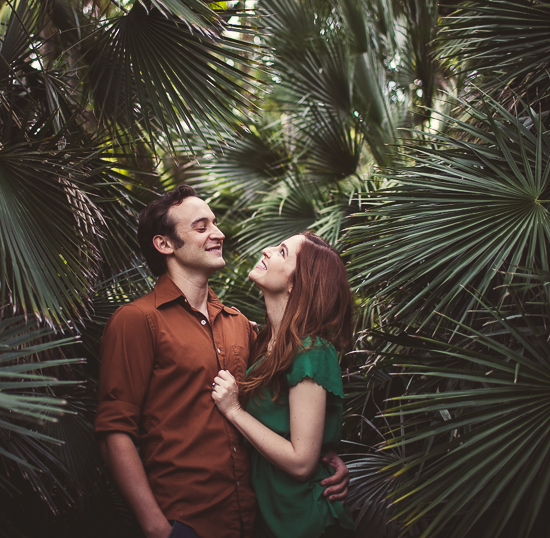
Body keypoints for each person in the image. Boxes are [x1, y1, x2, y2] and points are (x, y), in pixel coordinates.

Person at [95, 186, 349, 538]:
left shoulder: (243, 327)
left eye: (215, 223)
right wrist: (156, 528)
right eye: (201, 228)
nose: (218, 233)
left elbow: (282, 409)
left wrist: (324, 455)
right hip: (186, 521)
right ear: (165, 244)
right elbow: (114, 431)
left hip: (254, 519)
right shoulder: (137, 320)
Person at [211, 232, 355, 538]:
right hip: (270, 516)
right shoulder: (264, 345)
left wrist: (234, 410)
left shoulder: (312, 352)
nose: (266, 250)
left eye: (281, 252)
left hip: (305, 521)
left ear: (296, 283)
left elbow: (302, 462)